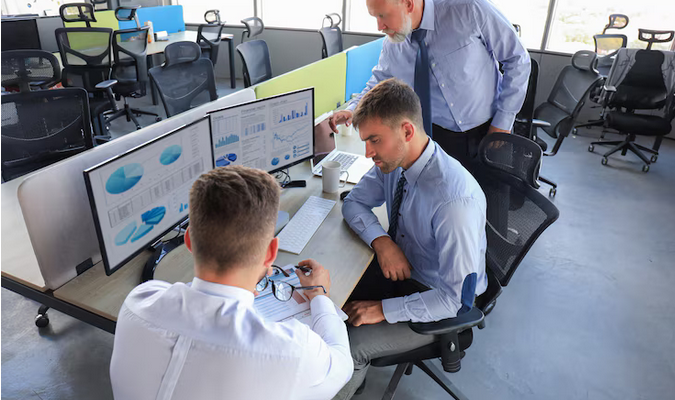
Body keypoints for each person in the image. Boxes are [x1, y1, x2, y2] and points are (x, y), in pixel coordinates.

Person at [110, 166, 353, 400]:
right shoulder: (291, 350)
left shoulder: (138, 302)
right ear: (270, 253)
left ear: (189, 241)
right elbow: (341, 361)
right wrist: (319, 294)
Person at [335, 78, 487, 399]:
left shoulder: (453, 202)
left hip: (439, 300)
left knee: (352, 345)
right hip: (405, 270)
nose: (368, 152)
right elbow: (354, 202)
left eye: (374, 140)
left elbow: (456, 300)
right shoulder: (396, 162)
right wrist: (382, 242)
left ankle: (347, 381)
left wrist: (383, 310)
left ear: (406, 131)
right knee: (331, 291)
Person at [330, 0, 530, 169]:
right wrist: (353, 109)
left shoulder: (468, 9)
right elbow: (380, 79)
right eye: (375, 17)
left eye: (383, 16)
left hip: (490, 131)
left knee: (494, 208)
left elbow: (517, 58)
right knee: (442, 209)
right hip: (436, 139)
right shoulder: (393, 44)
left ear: (408, 4)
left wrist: (502, 123)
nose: (379, 26)